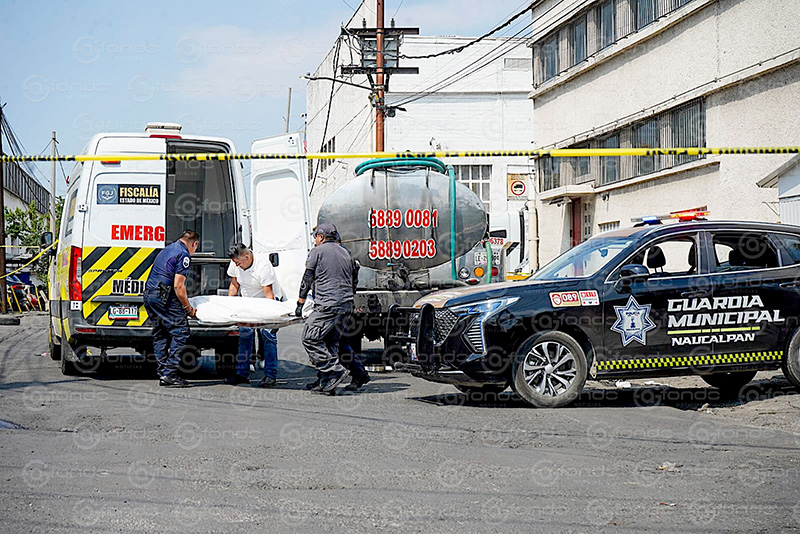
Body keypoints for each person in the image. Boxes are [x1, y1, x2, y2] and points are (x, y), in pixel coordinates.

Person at [296, 222, 358, 394]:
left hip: (328, 305)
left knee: (310, 338)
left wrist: (300, 303)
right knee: (330, 343)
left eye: (316, 236)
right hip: (346, 305)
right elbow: (354, 279)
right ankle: (327, 382)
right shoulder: (345, 252)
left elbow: (307, 278)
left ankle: (334, 370)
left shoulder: (317, 252)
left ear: (321, 237)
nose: (315, 240)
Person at [143, 230, 199, 388]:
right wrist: (188, 308)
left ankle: (163, 373)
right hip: (164, 297)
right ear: (194, 243)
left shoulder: (167, 249)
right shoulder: (184, 254)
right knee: (181, 332)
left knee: (160, 333)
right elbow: (178, 286)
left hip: (149, 295)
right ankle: (169, 373)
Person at [225, 243, 284, 387]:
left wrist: (272, 317)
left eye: (238, 263)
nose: (237, 265)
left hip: (267, 300)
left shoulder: (263, 266)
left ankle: (270, 375)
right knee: (245, 335)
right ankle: (242, 374)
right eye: (235, 263)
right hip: (248, 301)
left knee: (267, 335)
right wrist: (229, 305)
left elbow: (269, 294)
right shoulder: (236, 263)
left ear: (246, 256)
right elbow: (234, 285)